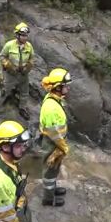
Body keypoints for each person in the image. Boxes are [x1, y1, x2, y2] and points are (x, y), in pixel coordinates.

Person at [39, 68, 71, 207]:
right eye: (65, 85)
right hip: (53, 143)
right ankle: (48, 199)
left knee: (54, 168)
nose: (68, 88)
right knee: (50, 171)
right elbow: (54, 134)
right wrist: (63, 148)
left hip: (55, 142)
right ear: (58, 87)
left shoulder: (54, 99)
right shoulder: (51, 107)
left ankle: (51, 190)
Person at [0, 22, 34, 120]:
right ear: (17, 35)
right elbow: (1, 57)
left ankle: (22, 108)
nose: (25, 38)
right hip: (11, 74)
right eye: (22, 35)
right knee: (4, 90)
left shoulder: (29, 46)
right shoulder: (9, 45)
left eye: (26, 36)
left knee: (24, 91)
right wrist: (8, 65)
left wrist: (28, 66)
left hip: (23, 74)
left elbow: (31, 58)